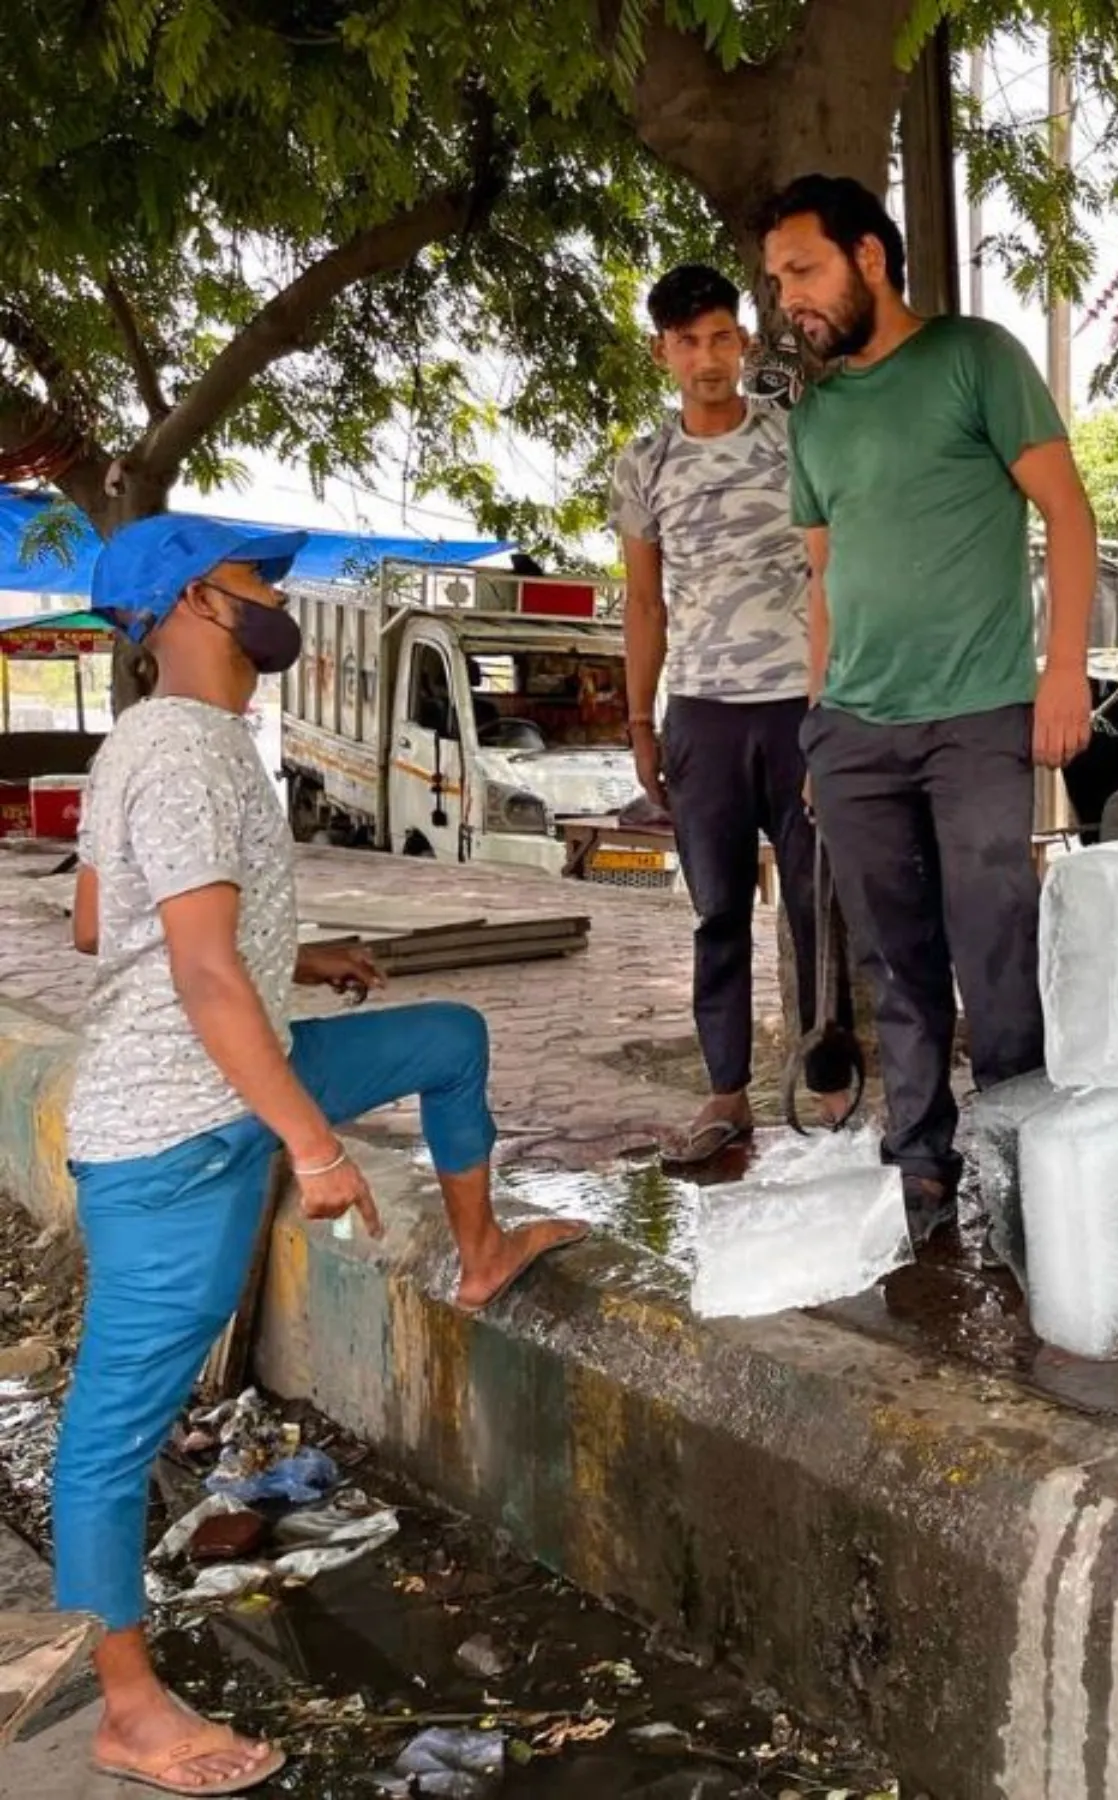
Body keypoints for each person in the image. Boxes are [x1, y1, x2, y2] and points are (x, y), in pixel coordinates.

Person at [58, 516, 587, 1795]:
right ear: (194, 603)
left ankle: (479, 1256)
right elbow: (185, 966)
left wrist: (297, 964)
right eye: (254, 582)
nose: (274, 600)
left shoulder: (153, 741)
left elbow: (96, 925)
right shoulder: (184, 753)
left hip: (234, 1072)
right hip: (176, 1133)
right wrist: (315, 1143)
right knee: (111, 1433)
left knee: (448, 1035)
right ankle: (126, 1707)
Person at [760, 174, 1099, 1243]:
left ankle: (1016, 1161)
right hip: (855, 730)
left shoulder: (975, 357)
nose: (787, 301)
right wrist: (819, 727)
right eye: (776, 282)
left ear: (869, 257)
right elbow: (824, 580)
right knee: (895, 959)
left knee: (994, 943)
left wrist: (1063, 671)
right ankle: (920, 1164)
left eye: (802, 271)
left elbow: (1069, 516)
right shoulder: (812, 418)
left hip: (981, 713)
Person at [611, 263, 850, 1163]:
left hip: (798, 706)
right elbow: (644, 605)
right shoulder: (644, 464)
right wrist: (641, 722)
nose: (706, 360)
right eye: (686, 343)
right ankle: (725, 1096)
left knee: (817, 908)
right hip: (700, 717)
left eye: (719, 338)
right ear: (661, 352)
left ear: (743, 342)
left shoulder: (793, 442)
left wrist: (832, 709)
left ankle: (830, 1090)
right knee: (717, 913)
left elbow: (832, 574)